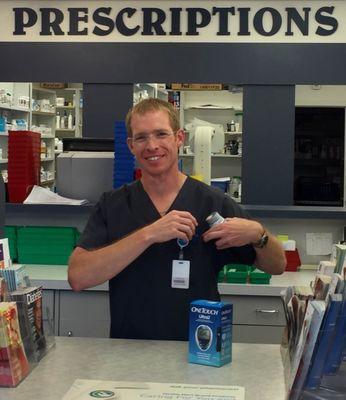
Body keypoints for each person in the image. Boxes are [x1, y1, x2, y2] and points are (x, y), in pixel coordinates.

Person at [68, 98, 286, 340]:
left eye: (161, 134)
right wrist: (149, 234)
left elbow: (277, 265)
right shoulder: (113, 205)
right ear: (130, 145)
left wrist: (259, 234)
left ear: (179, 138)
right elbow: (78, 278)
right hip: (129, 352)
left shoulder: (212, 203)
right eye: (141, 137)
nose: (152, 146)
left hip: (199, 351)